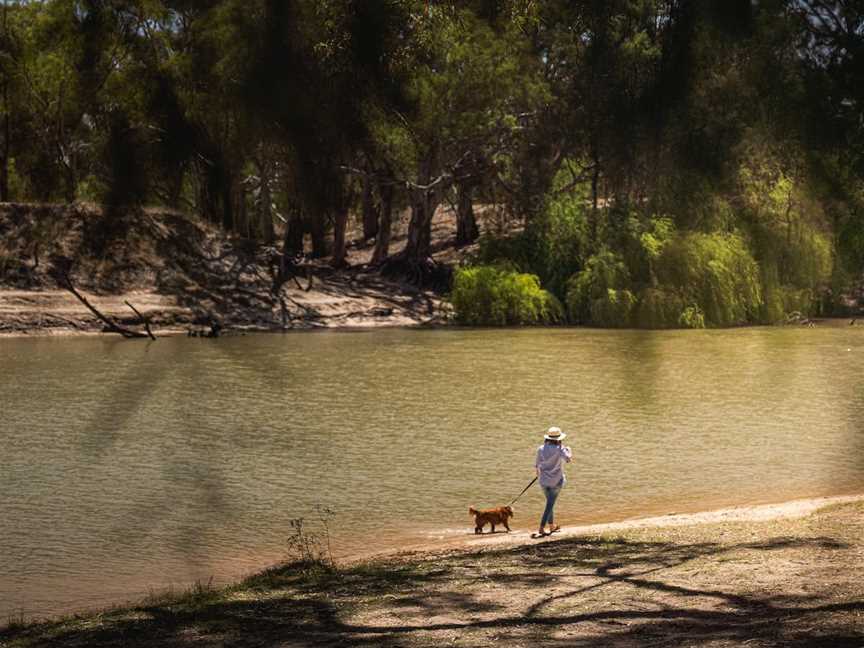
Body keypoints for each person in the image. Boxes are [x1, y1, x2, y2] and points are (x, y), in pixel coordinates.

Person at [535, 426, 572, 537]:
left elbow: (537, 465)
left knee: (549, 503)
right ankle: (541, 527)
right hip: (556, 481)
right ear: (558, 438)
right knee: (549, 505)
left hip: (543, 481)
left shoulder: (541, 448)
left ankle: (551, 526)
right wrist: (569, 450)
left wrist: (539, 476)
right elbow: (568, 459)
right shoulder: (560, 448)